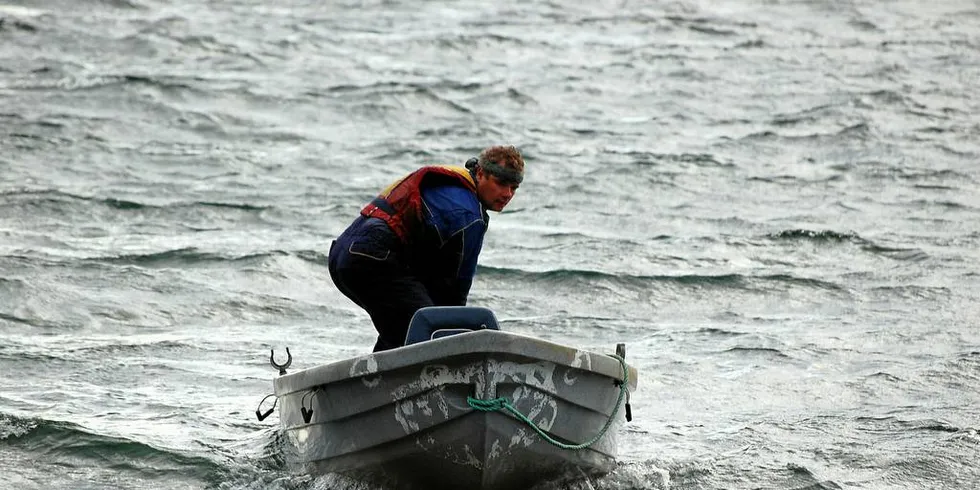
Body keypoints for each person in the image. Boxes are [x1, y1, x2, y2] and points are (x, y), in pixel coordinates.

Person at [328, 145, 525, 352]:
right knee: (432, 330)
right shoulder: (469, 216)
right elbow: (456, 289)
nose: (507, 194)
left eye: (514, 188)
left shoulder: (451, 187)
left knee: (402, 330)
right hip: (372, 258)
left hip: (342, 253)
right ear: (481, 173)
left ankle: (373, 380)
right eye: (501, 183)